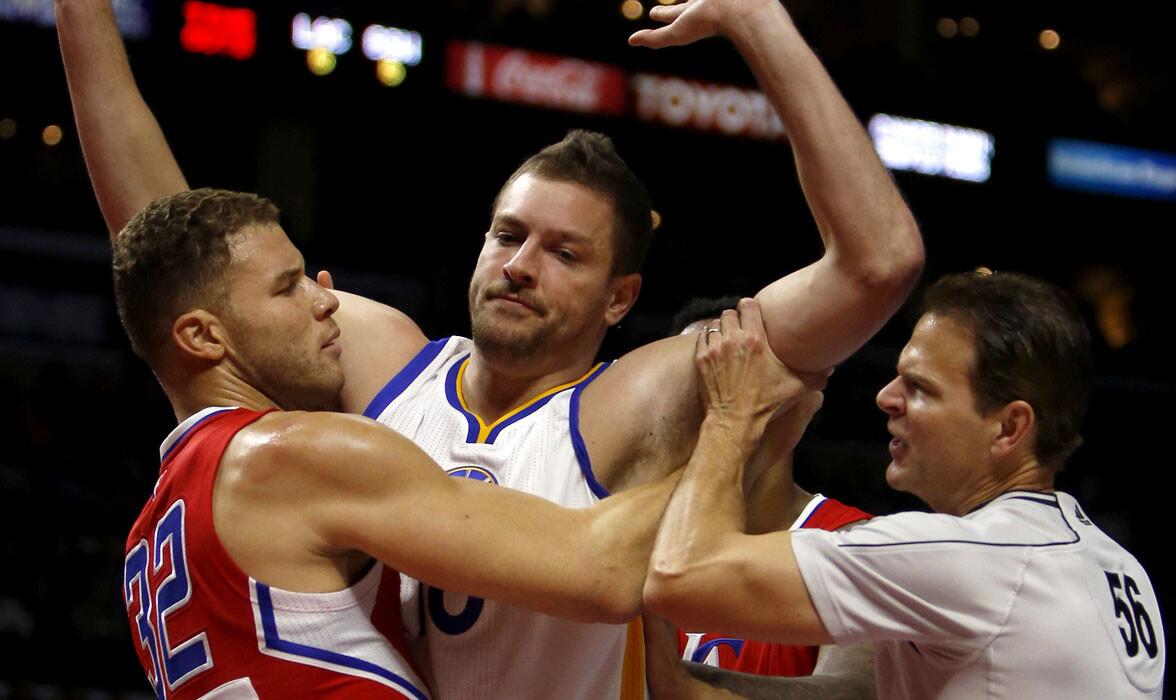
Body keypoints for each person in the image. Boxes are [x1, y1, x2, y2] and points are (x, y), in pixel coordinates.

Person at [57, 0, 924, 695]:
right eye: (506, 236)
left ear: (622, 298)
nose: (520, 267)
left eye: (564, 252)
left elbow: (878, 263)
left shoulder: (642, 394)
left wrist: (762, 23)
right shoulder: (385, 361)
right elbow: (173, 260)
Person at [115, 188, 691, 698]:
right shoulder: (292, 454)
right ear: (202, 335)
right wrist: (724, 435)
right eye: (288, 287)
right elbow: (606, 572)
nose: (325, 300)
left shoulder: (149, 536)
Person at [644, 276, 1167, 698]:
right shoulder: (1123, 570)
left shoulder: (964, 557)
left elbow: (681, 574)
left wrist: (732, 413)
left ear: (1008, 428)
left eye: (919, 388)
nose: (885, 397)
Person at [644, 297, 875, 698]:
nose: (716, 396)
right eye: (692, 382)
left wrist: (672, 680)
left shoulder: (855, 544)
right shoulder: (627, 532)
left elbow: (855, 692)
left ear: (799, 401)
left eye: (734, 375)